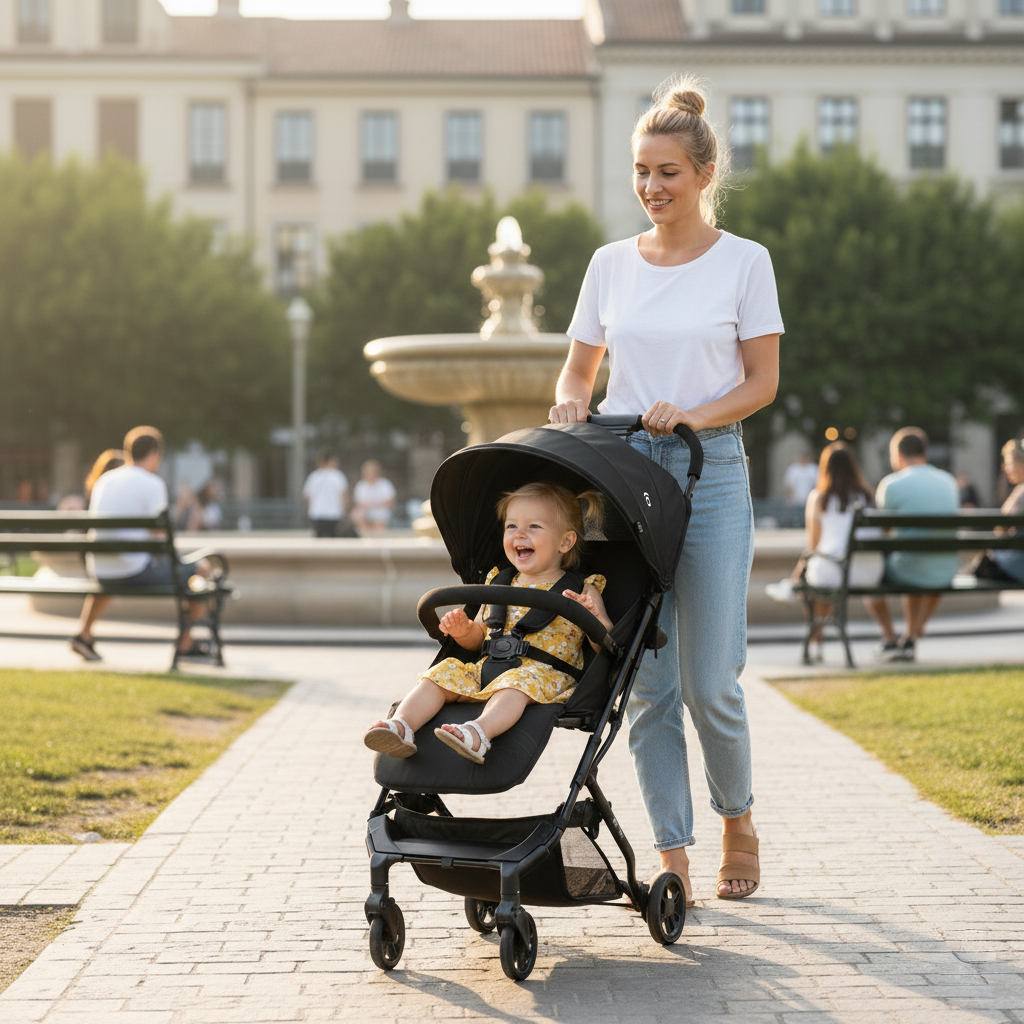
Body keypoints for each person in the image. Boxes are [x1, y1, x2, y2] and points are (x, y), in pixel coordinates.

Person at [549, 76, 783, 903]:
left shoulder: (745, 262)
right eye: (641, 171)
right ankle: (672, 854)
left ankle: (737, 818)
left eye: (668, 172)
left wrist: (691, 414)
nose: (652, 187)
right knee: (647, 686)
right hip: (625, 475)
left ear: (704, 174)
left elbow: (762, 383)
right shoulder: (609, 264)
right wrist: (570, 402)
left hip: (708, 469)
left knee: (710, 681)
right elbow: (578, 369)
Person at [363, 482, 612, 765]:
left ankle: (478, 734)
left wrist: (593, 617)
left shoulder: (583, 588)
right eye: (511, 526)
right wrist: (464, 631)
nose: (519, 534)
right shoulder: (499, 582)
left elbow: (605, 643)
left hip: (542, 676)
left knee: (515, 684)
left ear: (565, 542)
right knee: (441, 672)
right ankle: (401, 726)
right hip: (489, 669)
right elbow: (479, 637)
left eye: (534, 526)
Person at [70, 426, 212, 662]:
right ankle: (186, 643)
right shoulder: (152, 483)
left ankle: (84, 633)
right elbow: (160, 535)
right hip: (134, 571)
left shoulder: (104, 480)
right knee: (201, 568)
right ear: (154, 453)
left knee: (118, 564)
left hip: (101, 570)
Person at [765, 442, 883, 661]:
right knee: (826, 568)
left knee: (818, 576)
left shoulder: (819, 497)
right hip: (870, 573)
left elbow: (814, 545)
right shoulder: (868, 496)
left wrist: (799, 571)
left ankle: (815, 640)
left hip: (835, 572)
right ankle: (890, 635)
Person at [864, 426, 959, 662]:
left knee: (871, 576)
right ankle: (913, 633)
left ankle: (890, 637)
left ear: (898, 454)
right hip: (946, 570)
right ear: (925, 452)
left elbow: (883, 530)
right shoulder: (949, 481)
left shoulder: (891, 484)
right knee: (920, 561)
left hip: (909, 568)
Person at [972, 438, 1024, 583]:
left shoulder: (1021, 495)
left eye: (1009, 463)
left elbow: (1001, 529)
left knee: (984, 563)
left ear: (1021, 463)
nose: (1006, 468)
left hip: (1017, 567)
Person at [303, 448, 349, 538]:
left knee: (319, 540)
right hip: (334, 514)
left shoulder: (314, 476)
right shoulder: (338, 476)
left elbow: (306, 496)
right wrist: (345, 512)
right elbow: (343, 496)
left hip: (317, 513)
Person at [351, 459, 396, 534]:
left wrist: (374, 505)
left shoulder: (385, 484)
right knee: (357, 516)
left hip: (381, 512)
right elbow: (359, 503)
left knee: (379, 523)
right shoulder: (361, 485)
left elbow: (390, 502)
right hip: (366, 512)